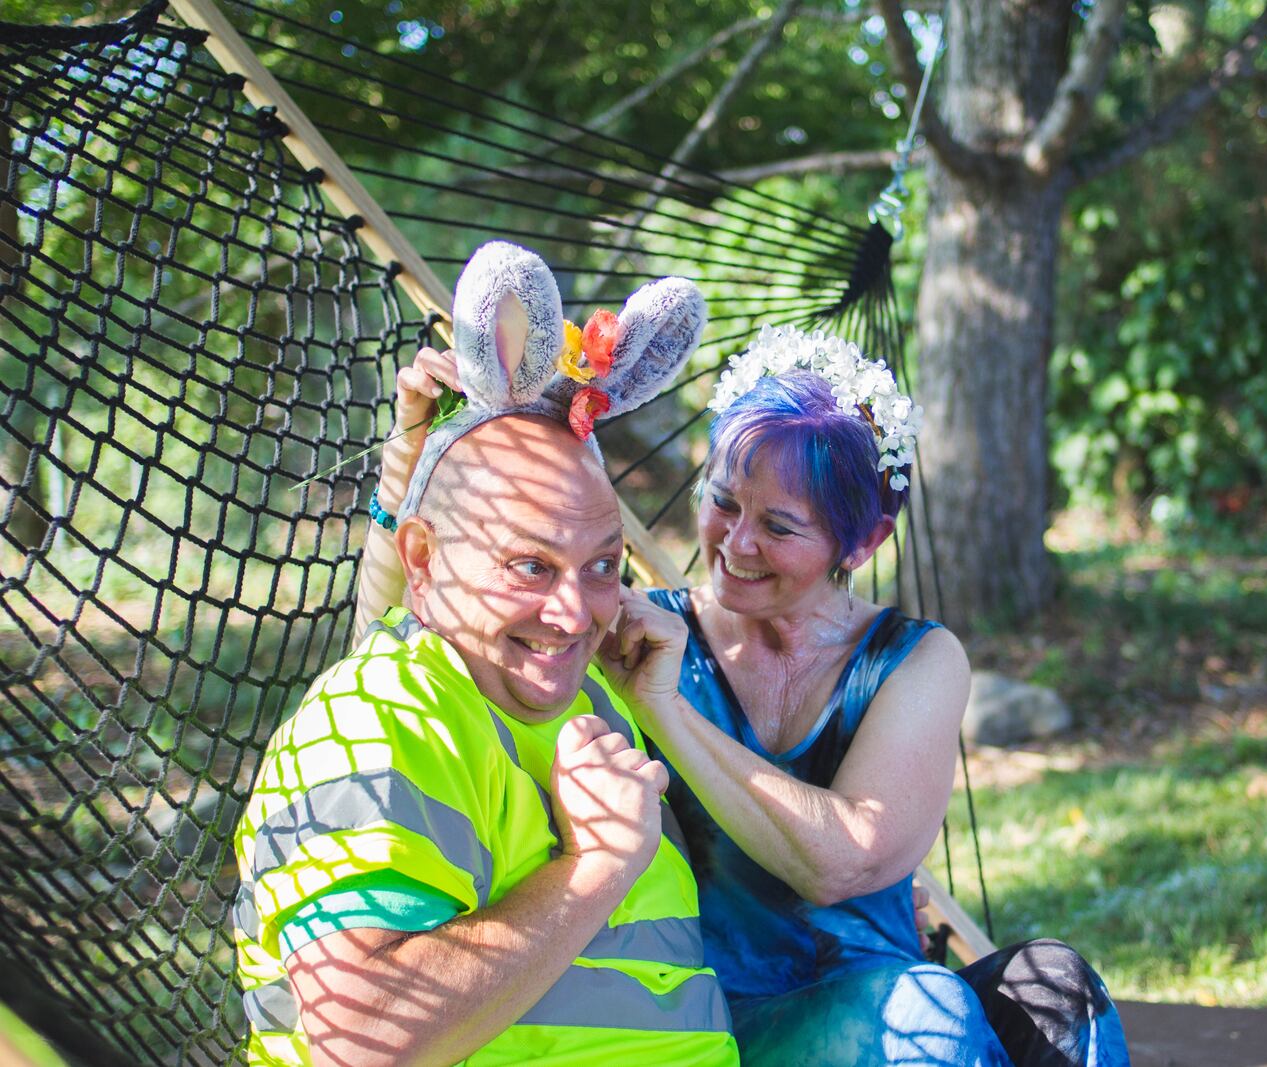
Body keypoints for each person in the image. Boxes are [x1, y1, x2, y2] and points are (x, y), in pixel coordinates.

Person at [364, 326, 1128, 1067]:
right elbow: (408, 630)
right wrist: (409, 450)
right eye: (724, 501)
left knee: (1056, 988)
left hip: (899, 1010)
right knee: (923, 1010)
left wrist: (667, 708)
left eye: (779, 525)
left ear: (863, 544)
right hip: (719, 1021)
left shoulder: (915, 659)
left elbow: (842, 863)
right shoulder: (642, 630)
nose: (735, 543)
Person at [233, 244, 737, 1065]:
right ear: (425, 560)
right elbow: (362, 1045)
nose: (574, 611)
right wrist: (596, 864)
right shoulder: (375, 717)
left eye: (603, 564)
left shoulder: (592, 698)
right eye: (531, 565)